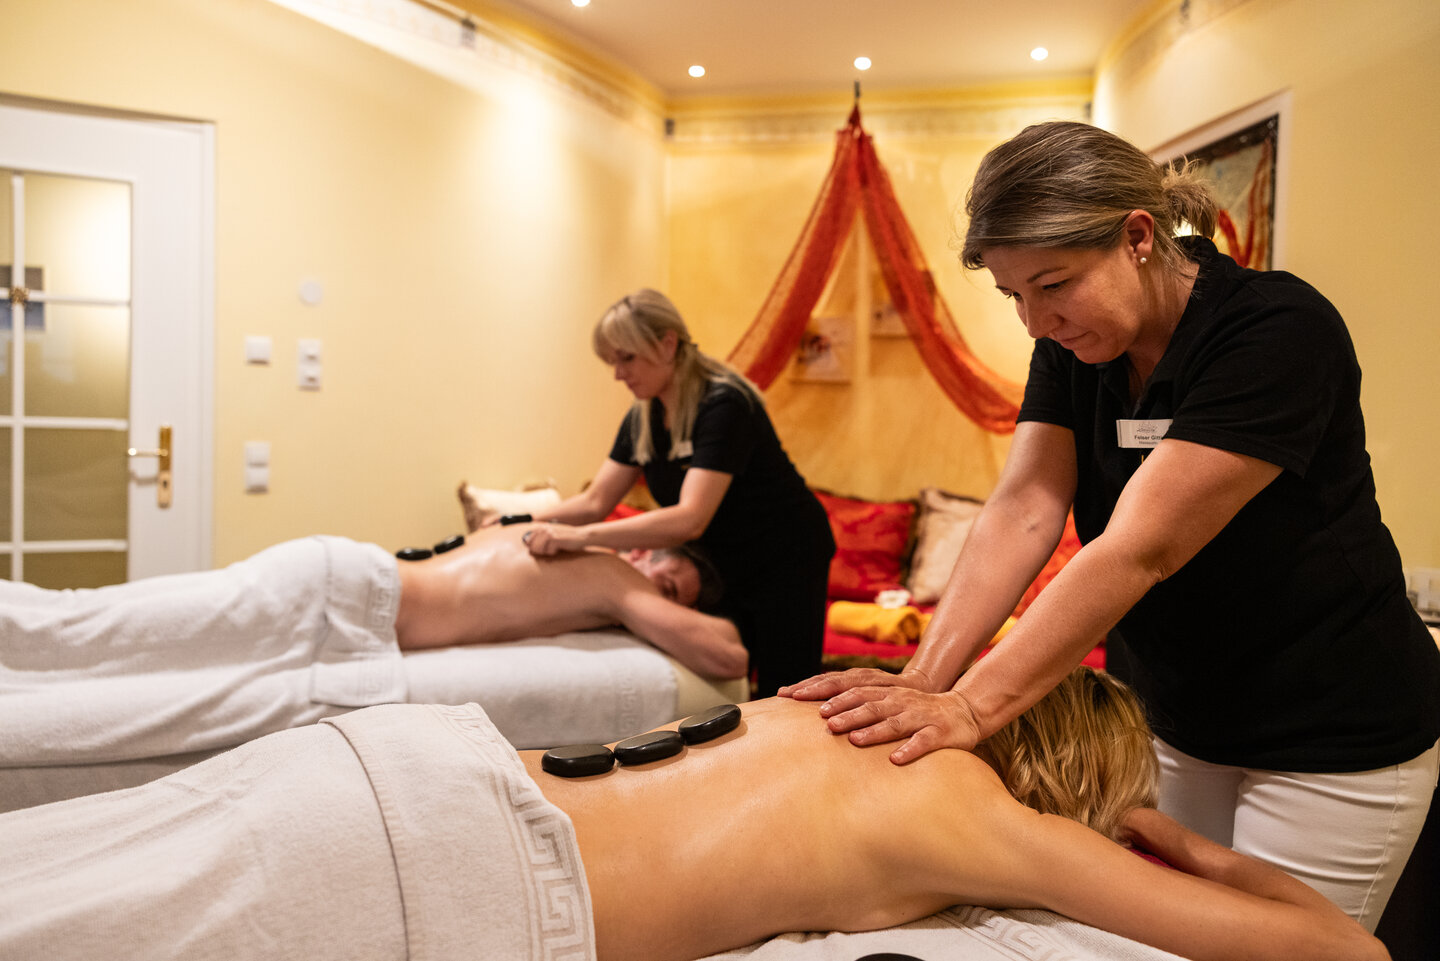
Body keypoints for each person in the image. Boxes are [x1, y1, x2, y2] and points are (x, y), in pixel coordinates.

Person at [782, 119, 1440, 931]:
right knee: (1173, 940)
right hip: (1185, 715)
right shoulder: (1075, 347)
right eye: (1014, 295)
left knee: (1282, 948)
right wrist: (925, 676)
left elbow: (1140, 548)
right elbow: (1025, 506)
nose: (1034, 321)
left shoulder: (1276, 331)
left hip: (1335, 730)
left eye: (1052, 284)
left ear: (1137, 236)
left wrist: (973, 709)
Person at [0, 667, 1387, 961]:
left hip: (392, 765)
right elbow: (1341, 947)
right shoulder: (980, 819)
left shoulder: (842, 702)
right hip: (440, 873)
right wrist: (1165, 835)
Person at [0, 522, 746, 768]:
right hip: (341, 596)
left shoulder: (573, 545)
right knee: (87, 630)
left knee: (91, 630)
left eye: (673, 593)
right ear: (645, 551)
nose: (660, 595)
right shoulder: (613, 574)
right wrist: (649, 596)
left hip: (344, 594)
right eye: (666, 575)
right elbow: (730, 658)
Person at [517, 288, 835, 697]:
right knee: (727, 683)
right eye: (612, 362)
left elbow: (690, 518)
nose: (618, 374)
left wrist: (578, 537)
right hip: (722, 561)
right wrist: (519, 522)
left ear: (668, 344)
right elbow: (595, 501)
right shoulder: (644, 416)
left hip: (786, 557)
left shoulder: (724, 404)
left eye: (626, 358)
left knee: (786, 690)